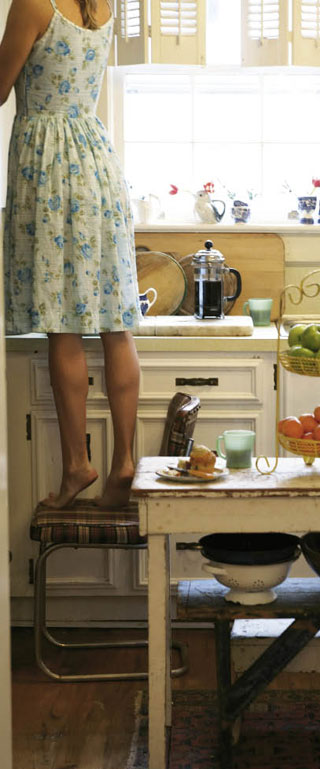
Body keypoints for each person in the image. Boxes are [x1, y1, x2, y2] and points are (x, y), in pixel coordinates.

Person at [0, 0, 141, 508]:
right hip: (96, 164)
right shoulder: (101, 4)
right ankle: (125, 460)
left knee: (65, 325)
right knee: (114, 325)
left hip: (49, 167)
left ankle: (77, 466)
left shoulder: (34, 3)